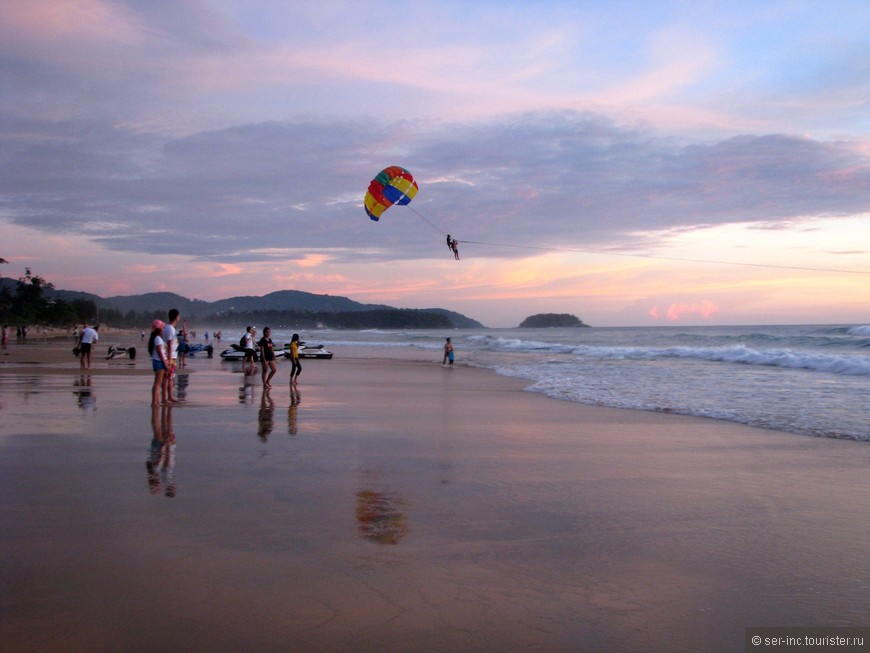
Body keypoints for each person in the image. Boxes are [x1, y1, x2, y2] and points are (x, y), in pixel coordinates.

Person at [148, 319, 169, 406]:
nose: (164, 330)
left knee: (158, 383)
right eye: (163, 328)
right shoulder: (158, 339)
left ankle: (156, 401)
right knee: (157, 383)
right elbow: (160, 352)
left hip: (159, 362)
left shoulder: (157, 338)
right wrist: (165, 363)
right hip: (159, 362)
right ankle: (154, 401)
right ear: (159, 329)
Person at [162, 309, 181, 403]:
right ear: (176, 317)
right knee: (167, 377)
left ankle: (170, 396)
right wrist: (169, 359)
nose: (179, 318)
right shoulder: (169, 328)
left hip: (172, 356)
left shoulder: (171, 328)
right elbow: (169, 344)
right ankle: (165, 398)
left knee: (171, 377)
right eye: (179, 316)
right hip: (170, 356)